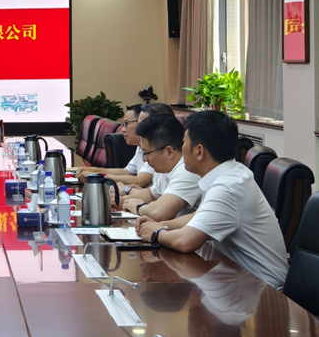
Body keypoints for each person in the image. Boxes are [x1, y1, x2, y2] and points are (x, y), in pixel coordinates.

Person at [136, 110, 289, 289]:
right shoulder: (229, 173)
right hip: (236, 279)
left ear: (199, 151)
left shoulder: (227, 187)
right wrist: (163, 225)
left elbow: (185, 242)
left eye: (184, 142)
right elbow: (199, 216)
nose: (181, 148)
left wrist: (156, 233)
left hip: (264, 290)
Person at [119, 114, 202, 221]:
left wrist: (138, 207)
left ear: (169, 151)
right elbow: (151, 194)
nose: (144, 160)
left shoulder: (187, 170)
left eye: (146, 153)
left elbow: (159, 212)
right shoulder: (167, 167)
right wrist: (120, 201)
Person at [71, 104, 153, 187]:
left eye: (126, 124)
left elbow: (139, 181)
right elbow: (126, 172)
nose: (123, 129)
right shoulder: (140, 148)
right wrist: (91, 170)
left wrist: (97, 176)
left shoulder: (154, 148)